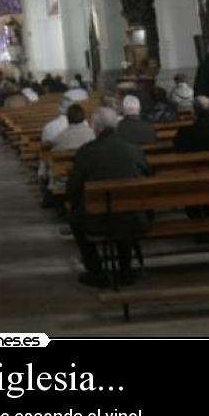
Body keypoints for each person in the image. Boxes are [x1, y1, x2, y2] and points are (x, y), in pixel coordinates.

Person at [67, 107, 152, 287]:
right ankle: (125, 269)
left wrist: (75, 205)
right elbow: (150, 176)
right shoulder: (134, 149)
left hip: (98, 220)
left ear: (96, 128)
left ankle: (96, 272)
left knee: (75, 220)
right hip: (134, 217)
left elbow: (73, 189)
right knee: (124, 211)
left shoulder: (86, 152)